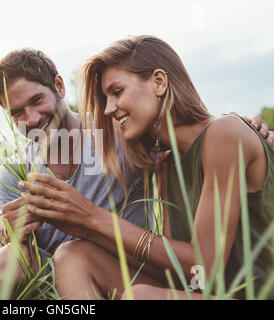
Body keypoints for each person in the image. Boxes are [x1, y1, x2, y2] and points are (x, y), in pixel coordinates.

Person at [18, 35, 274, 300]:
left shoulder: (224, 133)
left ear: (159, 82)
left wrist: (93, 217)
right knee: (73, 255)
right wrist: (82, 226)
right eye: (105, 98)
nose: (108, 109)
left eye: (117, 92)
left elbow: (203, 267)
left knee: (140, 296)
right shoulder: (166, 162)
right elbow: (179, 273)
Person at [0, 49, 149, 299]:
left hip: (105, 273)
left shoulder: (119, 134)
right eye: (17, 112)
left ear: (59, 86)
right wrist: (7, 233)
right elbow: (0, 254)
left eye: (37, 101)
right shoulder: (13, 171)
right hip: (40, 283)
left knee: (25, 256)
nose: (32, 119)